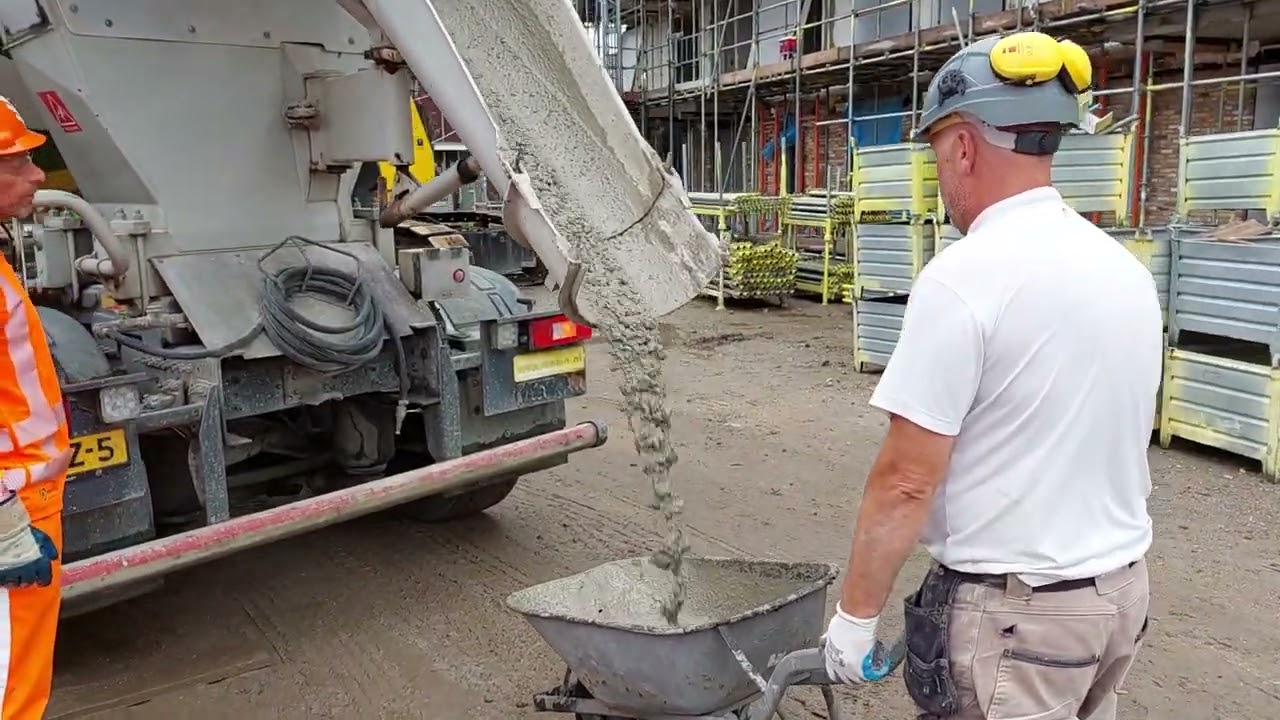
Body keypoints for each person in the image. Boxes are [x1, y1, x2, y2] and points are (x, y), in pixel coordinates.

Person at [821, 32, 1163, 720]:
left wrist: (854, 621)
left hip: (1021, 621)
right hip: (1116, 599)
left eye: (937, 150)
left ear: (964, 147)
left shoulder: (964, 278)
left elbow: (907, 479)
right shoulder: (1122, 269)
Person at [0, 95, 72, 720]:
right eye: (16, 161)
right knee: (10, 691)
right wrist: (5, 527)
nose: (38, 174)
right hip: (14, 506)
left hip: (26, 498)